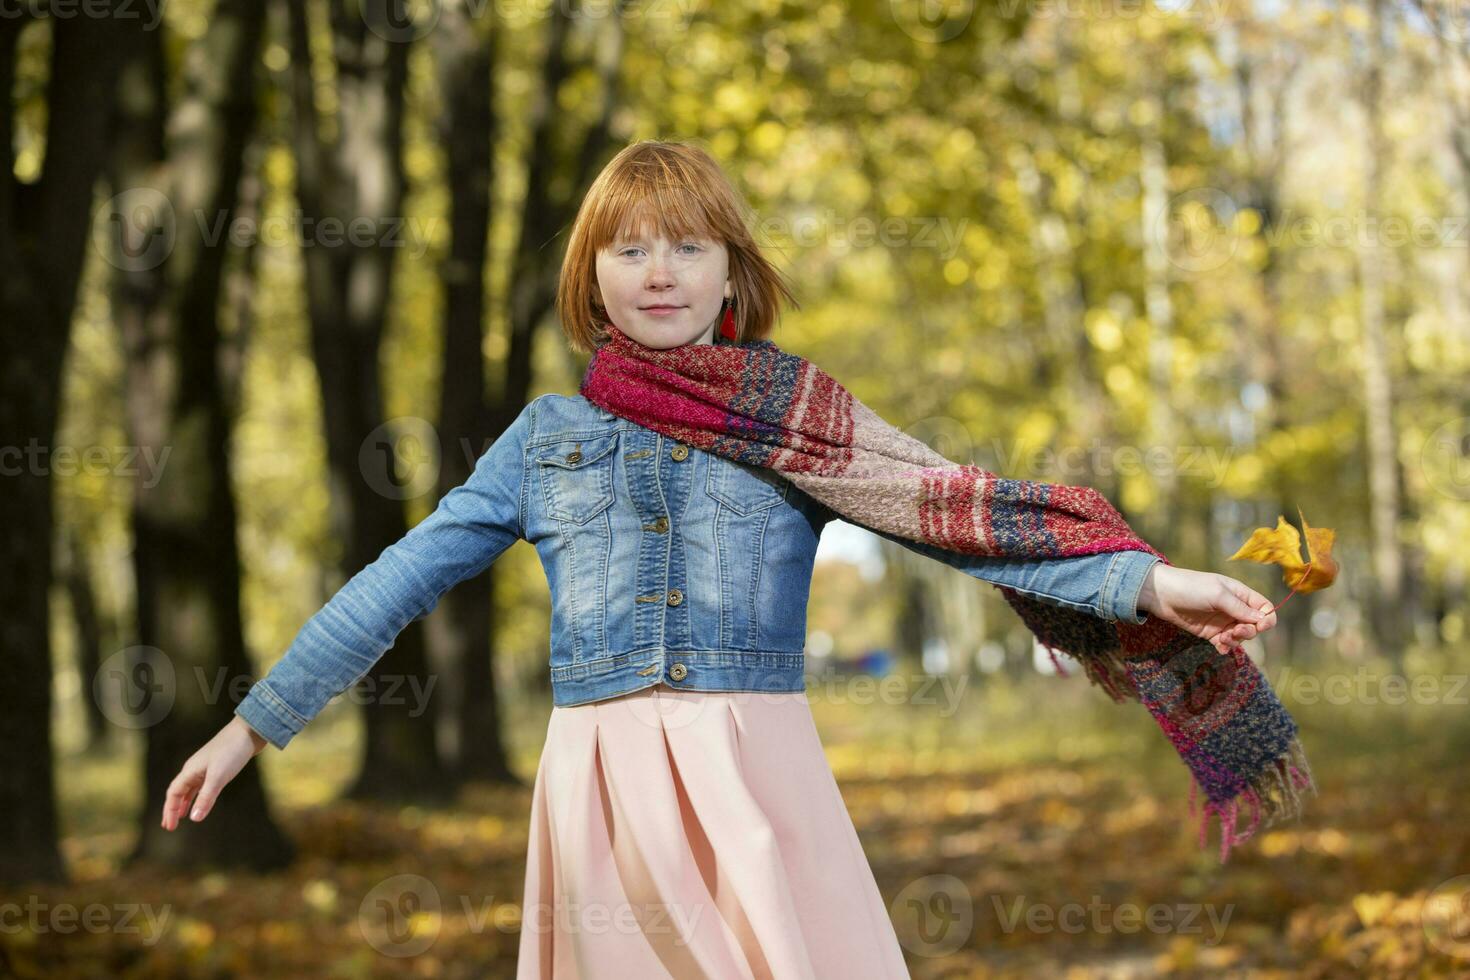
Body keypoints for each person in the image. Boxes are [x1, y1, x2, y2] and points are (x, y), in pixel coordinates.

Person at [162, 140, 1278, 976]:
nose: (660, 271)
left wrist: (1148, 580)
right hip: (601, 793)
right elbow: (394, 581)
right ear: (588, 273)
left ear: (731, 270)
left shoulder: (796, 418)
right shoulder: (542, 439)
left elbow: (959, 508)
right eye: (629, 246)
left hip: (757, 774)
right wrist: (254, 721)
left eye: (689, 245)